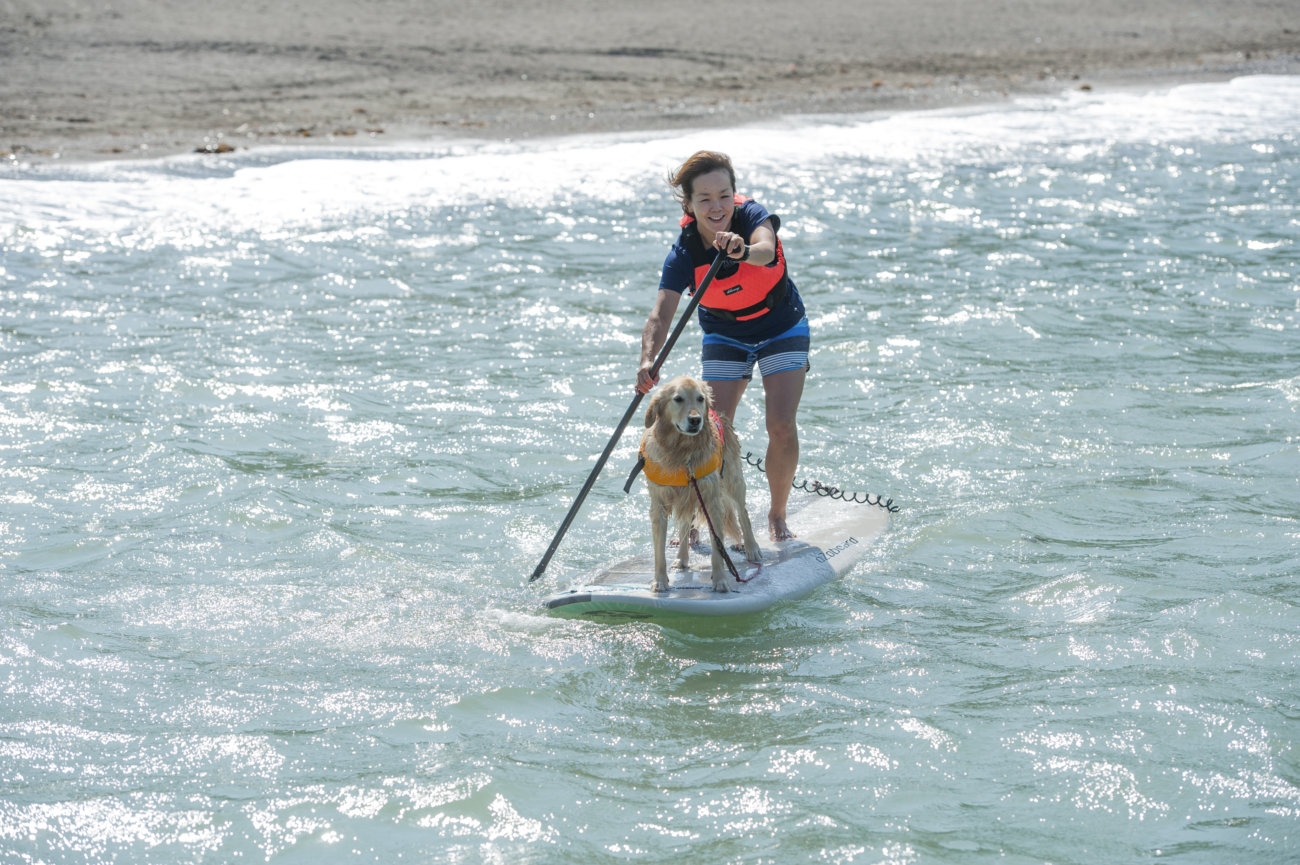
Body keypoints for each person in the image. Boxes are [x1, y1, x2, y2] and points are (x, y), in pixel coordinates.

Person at [635, 150, 809, 541]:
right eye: (705, 199)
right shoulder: (683, 254)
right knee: (706, 431)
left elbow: (765, 249)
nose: (717, 207)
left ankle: (777, 516)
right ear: (690, 204)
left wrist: (742, 251)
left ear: (734, 194)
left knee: (780, 424)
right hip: (725, 335)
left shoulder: (751, 218)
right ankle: (696, 517)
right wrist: (648, 361)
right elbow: (660, 316)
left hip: (781, 325)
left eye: (724, 195)